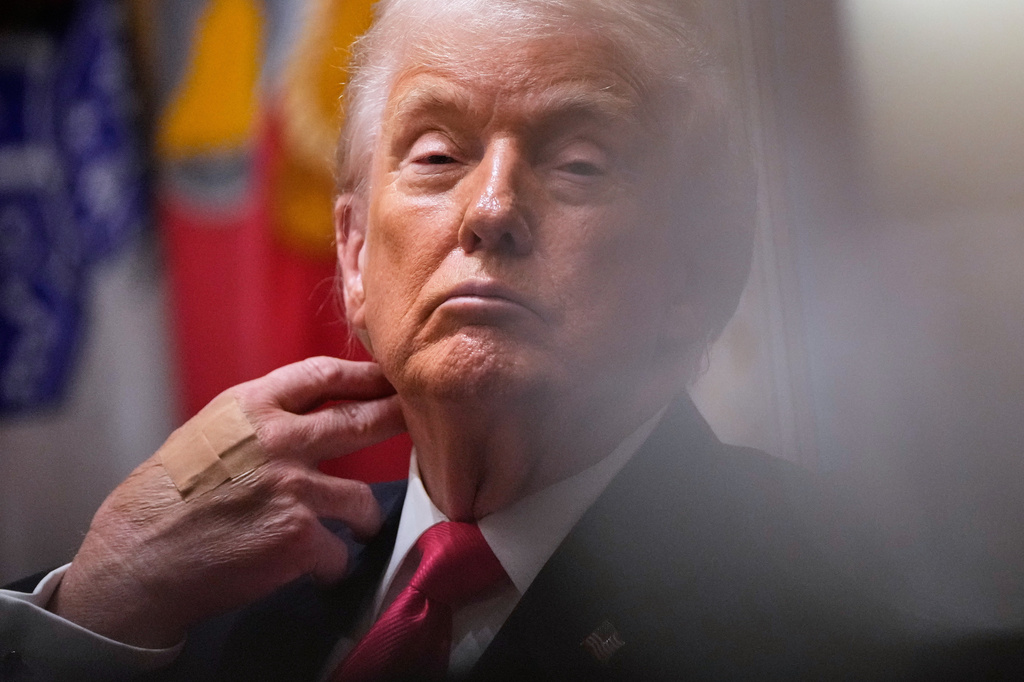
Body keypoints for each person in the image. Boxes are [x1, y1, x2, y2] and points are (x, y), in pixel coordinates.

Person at [2, 0, 1021, 680]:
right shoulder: (185, 609)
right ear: (353, 256)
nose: (491, 209)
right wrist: (94, 609)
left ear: (697, 273)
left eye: (578, 165)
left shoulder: (875, 635)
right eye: (437, 154)